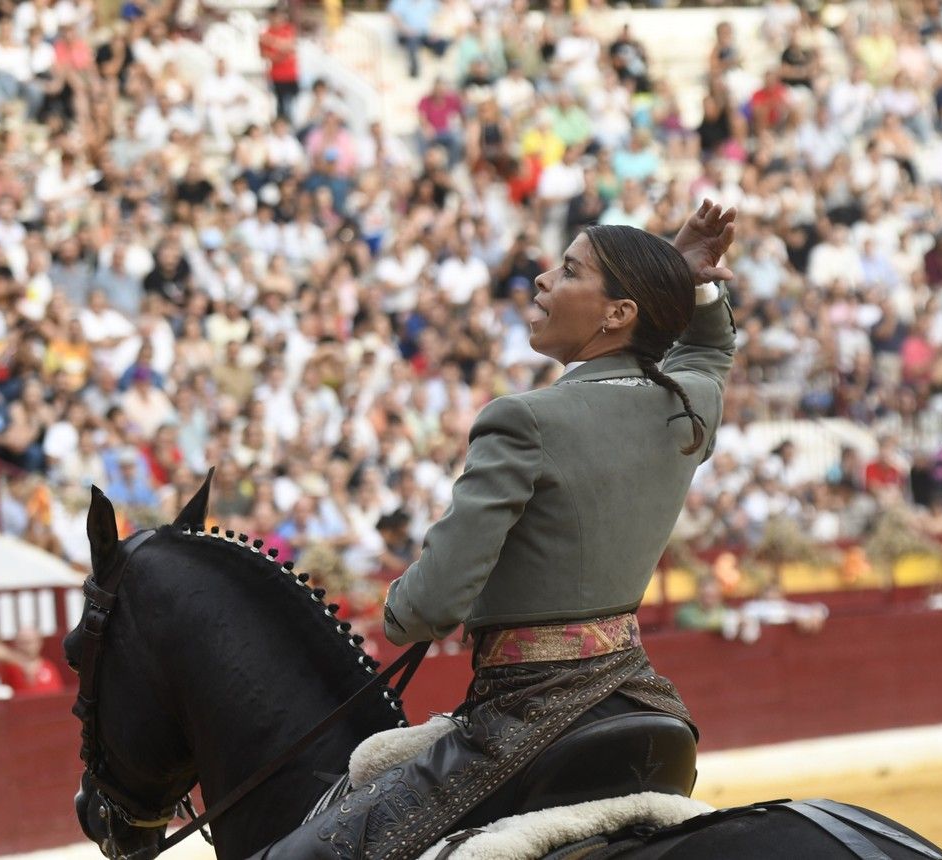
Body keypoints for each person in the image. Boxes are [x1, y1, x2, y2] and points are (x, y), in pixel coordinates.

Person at [257, 201, 737, 857]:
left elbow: (430, 607)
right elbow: (710, 347)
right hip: (641, 701)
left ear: (616, 314)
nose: (540, 280)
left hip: (528, 715)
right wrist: (693, 281)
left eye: (568, 271)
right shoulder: (686, 406)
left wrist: (399, 611)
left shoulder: (524, 420)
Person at [0, 625, 63, 695]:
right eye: (23, 642)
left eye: (30, 642)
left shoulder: (49, 667)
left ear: (39, 642)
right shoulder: (11, 666)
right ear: (16, 643)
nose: (27, 646)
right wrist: (20, 662)